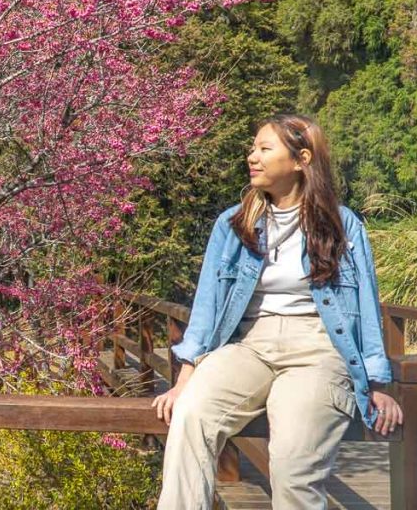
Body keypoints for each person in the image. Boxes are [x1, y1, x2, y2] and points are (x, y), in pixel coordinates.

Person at [151, 114, 403, 509]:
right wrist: (186, 378)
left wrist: (376, 385)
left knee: (290, 463)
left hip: (319, 350)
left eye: (265, 148)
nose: (252, 156)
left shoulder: (342, 225)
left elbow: (365, 306)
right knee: (190, 417)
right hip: (249, 345)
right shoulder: (233, 224)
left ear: (301, 159)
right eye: (253, 148)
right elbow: (207, 306)